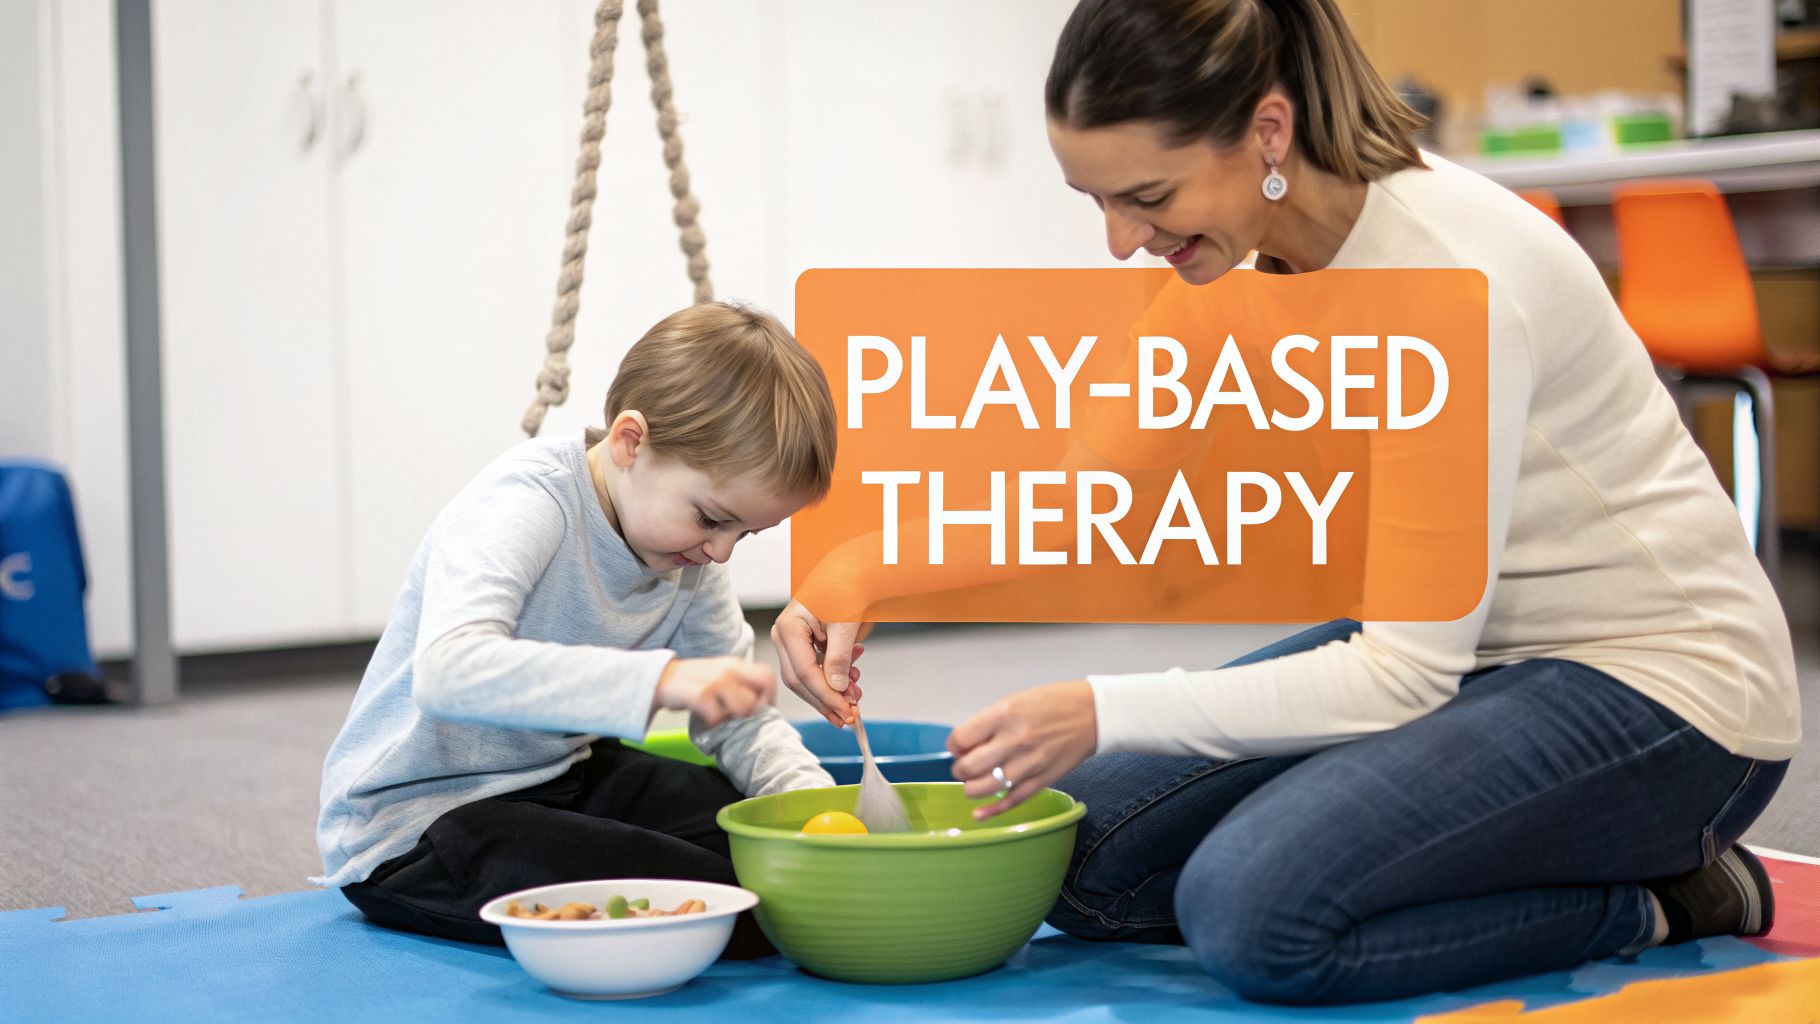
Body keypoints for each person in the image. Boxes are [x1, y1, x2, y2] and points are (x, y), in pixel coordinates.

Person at [775, 0, 1801, 1004]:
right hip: (1473, 654)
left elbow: (1399, 675)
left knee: (1253, 911)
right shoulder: (1229, 260)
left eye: (1144, 195)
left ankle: (1670, 897)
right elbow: (1084, 486)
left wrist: (1103, 705)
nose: (1117, 242)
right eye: (1094, 200)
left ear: (1266, 131)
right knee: (1079, 860)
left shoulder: (1446, 283)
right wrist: (857, 569)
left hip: (1665, 696)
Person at [315, 302, 842, 956]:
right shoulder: (526, 506)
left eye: (746, 532)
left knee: (762, 840)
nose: (722, 552)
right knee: (741, 903)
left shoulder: (690, 553)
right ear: (630, 442)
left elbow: (737, 718)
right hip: (420, 828)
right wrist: (665, 679)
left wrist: (817, 812)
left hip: (559, 779)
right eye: (712, 519)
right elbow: (448, 670)